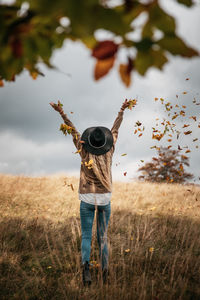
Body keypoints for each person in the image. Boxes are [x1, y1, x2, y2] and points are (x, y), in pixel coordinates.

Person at [50, 99, 129, 285]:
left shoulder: (83, 149)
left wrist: (61, 112)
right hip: (104, 198)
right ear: (106, 143)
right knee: (103, 236)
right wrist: (122, 110)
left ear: (89, 142)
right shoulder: (110, 151)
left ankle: (86, 270)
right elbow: (116, 129)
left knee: (86, 235)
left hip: (86, 198)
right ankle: (105, 271)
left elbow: (72, 129)